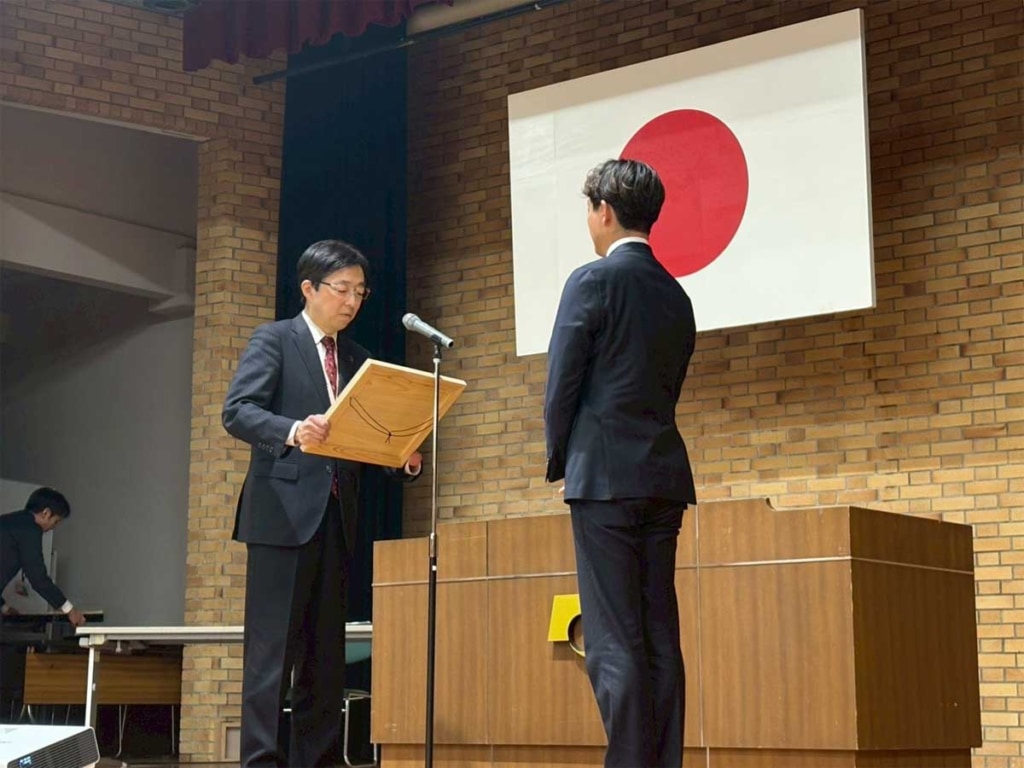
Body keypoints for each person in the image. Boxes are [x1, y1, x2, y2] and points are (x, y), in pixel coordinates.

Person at [223, 239, 422, 768]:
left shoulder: (356, 357)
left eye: (360, 291)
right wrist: (292, 429)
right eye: (342, 289)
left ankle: (320, 760)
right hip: (281, 516)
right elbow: (238, 411)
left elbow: (361, 435)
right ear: (309, 288)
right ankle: (262, 760)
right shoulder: (274, 340)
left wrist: (397, 454)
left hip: (336, 518)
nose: (352, 301)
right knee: (272, 656)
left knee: (325, 656)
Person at [544, 159, 697, 768]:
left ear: (603, 211)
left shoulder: (591, 280)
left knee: (612, 639)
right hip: (663, 477)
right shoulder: (675, 292)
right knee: (659, 634)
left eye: (588, 210)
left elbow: (563, 384)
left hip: (604, 478)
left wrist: (561, 458)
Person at [0, 487, 87, 627]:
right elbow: (37, 577)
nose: (53, 527)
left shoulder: (9, 522)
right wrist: (70, 610)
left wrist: (4, 608)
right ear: (46, 513)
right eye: (56, 521)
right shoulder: (30, 529)